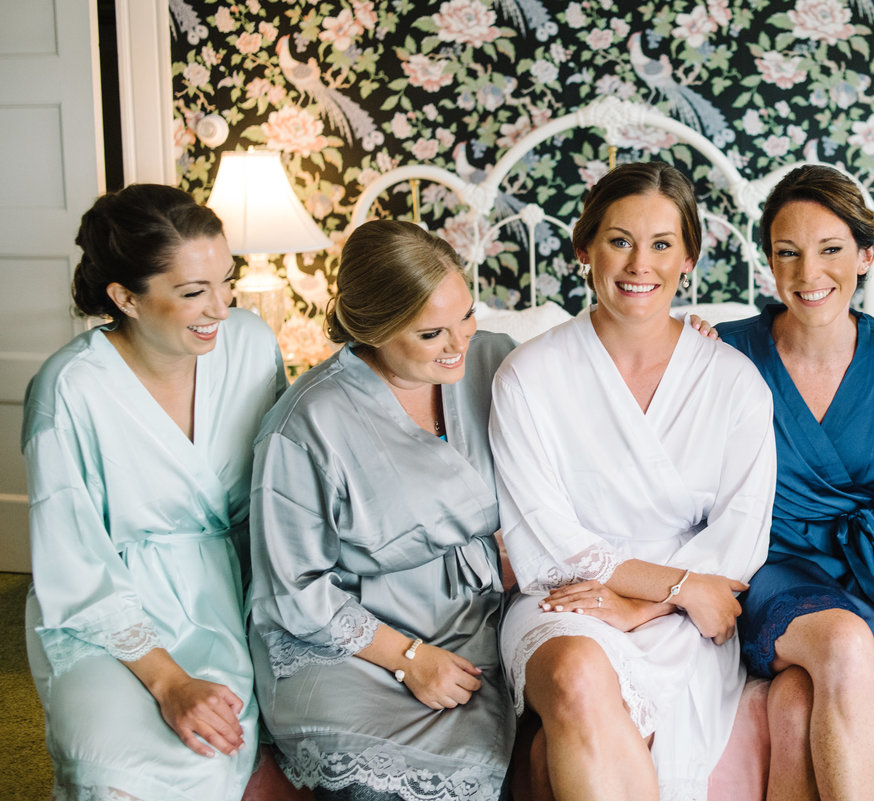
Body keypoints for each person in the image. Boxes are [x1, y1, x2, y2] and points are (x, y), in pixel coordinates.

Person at [490, 161, 777, 801]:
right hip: (570, 597)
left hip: (683, 618)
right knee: (573, 674)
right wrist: (675, 586)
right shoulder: (527, 376)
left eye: (661, 244)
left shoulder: (733, 383)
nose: (638, 264)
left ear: (689, 258)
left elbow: (739, 537)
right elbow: (547, 540)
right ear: (585, 249)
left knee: (546, 755)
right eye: (619, 240)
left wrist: (653, 603)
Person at [22, 184, 285, 800]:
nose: (220, 308)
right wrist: (168, 683)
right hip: (110, 609)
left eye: (227, 280)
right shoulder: (67, 391)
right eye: (194, 293)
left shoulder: (249, 344)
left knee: (246, 748)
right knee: (114, 775)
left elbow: (285, 482)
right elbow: (74, 561)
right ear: (125, 298)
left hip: (242, 589)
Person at [247, 220, 517, 800]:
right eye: (430, 334)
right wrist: (408, 659)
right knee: (379, 782)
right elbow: (293, 589)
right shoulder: (305, 425)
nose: (459, 343)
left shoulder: (497, 360)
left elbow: (597, 379)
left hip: (476, 621)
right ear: (373, 329)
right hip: (352, 643)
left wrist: (690, 336)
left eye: (466, 315)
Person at [716, 164, 874, 801]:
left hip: (868, 568)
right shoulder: (722, 352)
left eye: (831, 250)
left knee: (794, 701)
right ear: (770, 261)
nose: (809, 274)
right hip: (766, 562)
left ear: (866, 255)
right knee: (840, 640)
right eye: (788, 253)